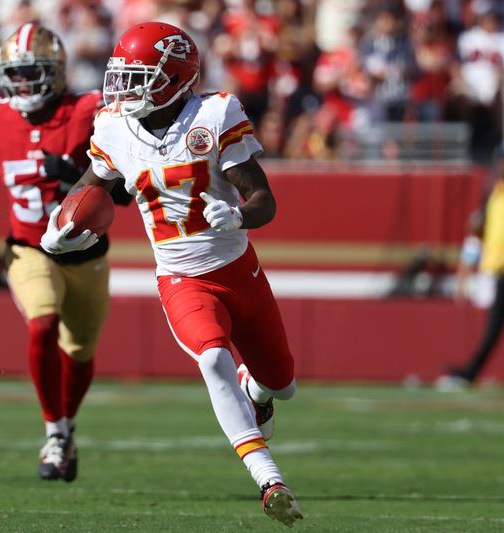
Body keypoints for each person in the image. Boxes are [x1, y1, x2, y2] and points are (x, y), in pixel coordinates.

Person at [40, 22, 303, 526]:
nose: (124, 88)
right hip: (181, 277)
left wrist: (240, 214)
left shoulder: (215, 112)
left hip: (239, 270)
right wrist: (58, 227)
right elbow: (88, 188)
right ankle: (269, 479)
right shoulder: (114, 125)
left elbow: (264, 201)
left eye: (138, 77)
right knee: (212, 359)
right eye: (122, 76)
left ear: (175, 77)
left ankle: (258, 392)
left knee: (282, 383)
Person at [0, 23, 130, 483]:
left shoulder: (88, 110)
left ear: (54, 73)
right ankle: (54, 431)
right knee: (43, 323)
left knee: (79, 350)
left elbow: (126, 190)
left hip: (87, 251)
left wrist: (79, 173)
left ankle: (66, 429)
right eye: (14, 74)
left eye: (31, 73)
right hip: (28, 247)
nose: (21, 84)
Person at [444, 145, 504, 386]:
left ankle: (473, 372)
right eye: (503, 160)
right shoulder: (495, 192)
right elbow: (479, 233)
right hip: (501, 271)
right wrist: (465, 269)